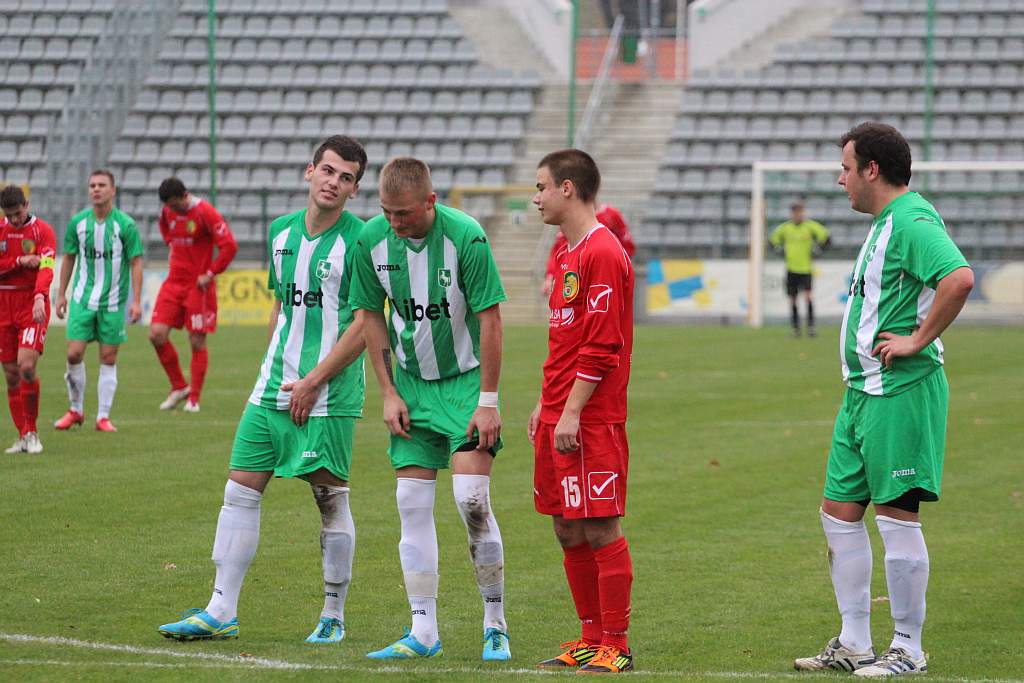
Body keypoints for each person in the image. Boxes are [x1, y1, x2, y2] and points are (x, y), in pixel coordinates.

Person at [157, 135, 369, 644]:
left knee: (329, 499)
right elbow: (282, 305)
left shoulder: (363, 240)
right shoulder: (279, 233)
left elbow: (365, 324)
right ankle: (220, 609)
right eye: (328, 171)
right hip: (272, 387)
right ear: (309, 171)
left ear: (355, 190)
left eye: (346, 178)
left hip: (329, 394)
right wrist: (274, 367)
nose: (333, 183)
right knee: (239, 491)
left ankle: (332, 615)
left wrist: (314, 379)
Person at [794, 122, 973, 677]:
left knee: (898, 518)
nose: (839, 178)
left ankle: (908, 648)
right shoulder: (885, 222)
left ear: (872, 169)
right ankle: (854, 642)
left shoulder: (913, 221)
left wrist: (919, 339)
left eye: (846, 168)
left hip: (899, 390)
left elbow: (959, 278)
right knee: (838, 515)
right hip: (860, 394)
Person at [349, 157, 511, 662]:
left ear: (431, 202)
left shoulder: (467, 236)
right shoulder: (370, 241)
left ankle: (495, 622)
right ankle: (423, 630)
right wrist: (388, 392)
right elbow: (369, 315)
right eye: (387, 213)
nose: (395, 223)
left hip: (464, 386)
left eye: (405, 214)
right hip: (412, 388)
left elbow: (490, 319)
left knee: (471, 500)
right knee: (410, 505)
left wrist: (488, 402)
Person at [528, 149, 635, 675]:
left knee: (600, 528)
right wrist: (545, 407)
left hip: (590, 418)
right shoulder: (566, 253)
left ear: (567, 188)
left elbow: (601, 346)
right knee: (567, 529)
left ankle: (616, 641)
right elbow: (565, 343)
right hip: (559, 413)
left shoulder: (602, 253)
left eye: (542, 187)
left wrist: (570, 413)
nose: (536, 197)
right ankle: (590, 637)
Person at [54, 170, 143, 433]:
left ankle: (103, 416)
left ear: (113, 190)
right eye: (92, 185)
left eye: (102, 185)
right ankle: (75, 409)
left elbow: (136, 262)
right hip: (82, 298)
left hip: (114, 302)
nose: (96, 189)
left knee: (108, 357)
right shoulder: (78, 223)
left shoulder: (125, 225)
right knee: (73, 353)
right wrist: (61, 293)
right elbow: (69, 257)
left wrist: (136, 301)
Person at [150, 177, 238, 413]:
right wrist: (171, 243)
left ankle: (194, 399)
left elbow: (229, 245)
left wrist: (210, 273)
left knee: (197, 340)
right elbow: (164, 228)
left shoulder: (205, 212)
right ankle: (179, 385)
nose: (171, 209)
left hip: (198, 286)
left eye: (173, 204)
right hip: (173, 283)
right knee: (156, 334)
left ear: (183, 195)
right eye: (167, 205)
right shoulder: (167, 213)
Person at [0, 186, 56, 453]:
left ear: (27, 204)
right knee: (10, 375)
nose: (14, 220)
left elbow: (46, 266)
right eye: (8, 215)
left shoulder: (42, 231)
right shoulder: (1, 229)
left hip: (31, 304)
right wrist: (20, 260)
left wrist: (39, 297)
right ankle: (22, 435)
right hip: (3, 306)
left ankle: (32, 432)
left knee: (25, 367)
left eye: (18, 213)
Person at [542, 202, 635, 296]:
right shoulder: (571, 219)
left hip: (607, 279)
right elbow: (558, 250)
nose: (537, 199)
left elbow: (628, 246)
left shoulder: (611, 215)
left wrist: (615, 268)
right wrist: (550, 276)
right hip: (575, 281)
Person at [769, 201, 830, 337]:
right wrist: (779, 250)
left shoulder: (810, 226)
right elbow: (773, 240)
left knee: (808, 298)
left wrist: (819, 250)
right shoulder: (785, 228)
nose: (798, 215)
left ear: (803, 213)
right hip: (791, 269)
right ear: (791, 214)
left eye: (800, 212)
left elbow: (826, 236)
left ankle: (810, 327)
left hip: (806, 269)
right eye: (795, 212)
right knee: (793, 299)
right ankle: (795, 328)